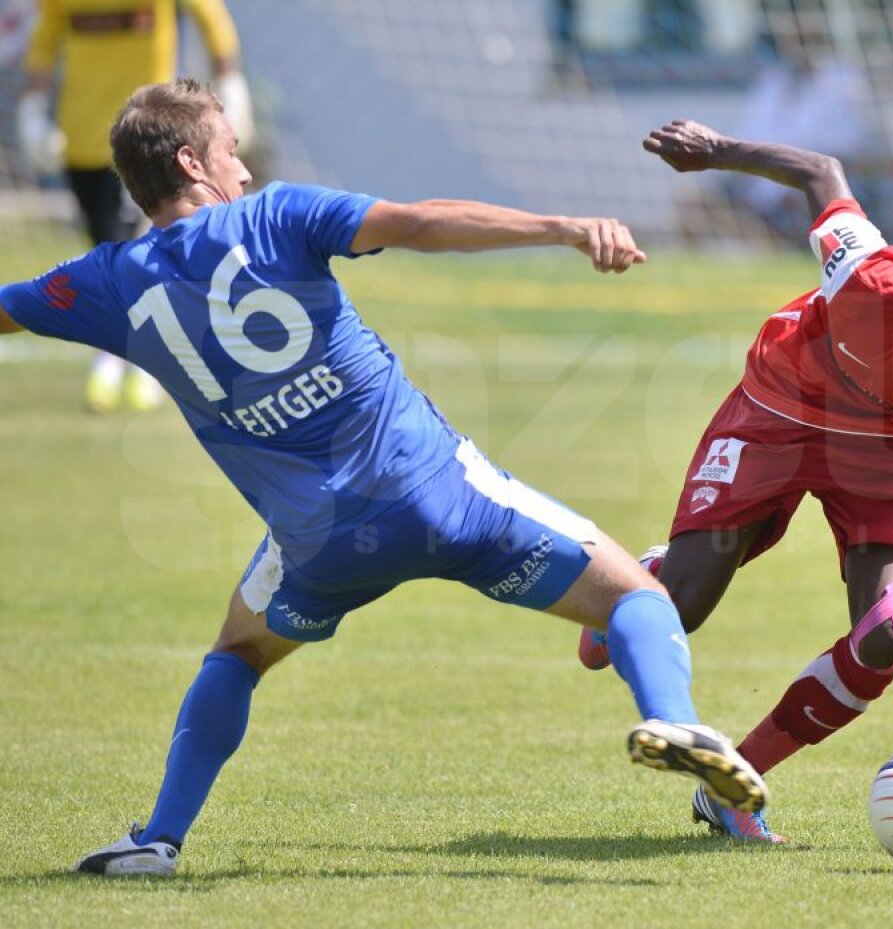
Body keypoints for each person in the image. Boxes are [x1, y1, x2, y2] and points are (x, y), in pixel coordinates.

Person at [0, 83, 767, 877]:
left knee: (238, 648)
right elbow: (423, 220)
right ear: (193, 162)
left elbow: (6, 308)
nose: (247, 172)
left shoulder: (107, 281)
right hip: (441, 497)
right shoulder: (277, 215)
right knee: (634, 594)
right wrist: (562, 228)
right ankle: (678, 722)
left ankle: (158, 839)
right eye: (232, 152)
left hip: (319, 549)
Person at [578, 119, 893, 847]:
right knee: (680, 605)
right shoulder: (866, 277)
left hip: (891, 453)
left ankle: (732, 783)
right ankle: (649, 576)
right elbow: (821, 170)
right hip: (779, 406)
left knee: (890, 632)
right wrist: (716, 153)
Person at [16, 0, 253, 413]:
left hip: (145, 141)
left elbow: (212, 18)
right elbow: (45, 37)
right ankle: (130, 351)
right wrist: (34, 107)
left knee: (129, 248)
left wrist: (231, 81)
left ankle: (132, 359)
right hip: (82, 136)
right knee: (104, 245)